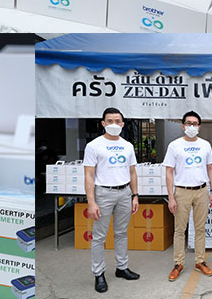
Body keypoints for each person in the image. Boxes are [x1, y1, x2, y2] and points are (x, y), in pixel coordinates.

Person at [82, 107, 140, 293]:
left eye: (117, 121)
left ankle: (122, 268)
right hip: (103, 193)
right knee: (99, 236)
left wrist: (135, 195)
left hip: (124, 192)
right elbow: (89, 175)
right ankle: (98, 273)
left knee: (122, 233)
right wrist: (91, 202)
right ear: (103, 123)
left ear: (122, 124)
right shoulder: (94, 146)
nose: (114, 124)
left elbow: (132, 172)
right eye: (110, 121)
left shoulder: (127, 145)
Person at [163, 111, 212, 281]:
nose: (191, 126)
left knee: (200, 229)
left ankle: (200, 261)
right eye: (188, 123)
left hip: (201, 191)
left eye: (194, 124)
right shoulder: (175, 145)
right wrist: (171, 196)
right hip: (182, 191)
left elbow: (210, 168)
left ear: (199, 127)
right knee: (180, 229)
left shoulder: (205, 145)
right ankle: (178, 264)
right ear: (183, 126)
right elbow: (169, 171)